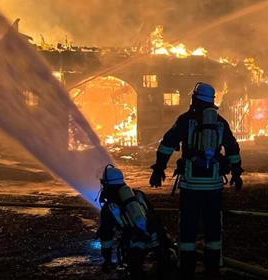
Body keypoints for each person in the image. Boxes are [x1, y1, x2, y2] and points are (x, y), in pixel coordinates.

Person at [149, 82, 243, 279]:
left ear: (194, 98)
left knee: (188, 229)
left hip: (190, 186)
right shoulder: (221, 123)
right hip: (214, 186)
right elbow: (233, 148)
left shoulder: (185, 121)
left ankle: (187, 269)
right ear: (212, 102)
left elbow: (167, 144)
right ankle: (213, 269)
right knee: (213, 228)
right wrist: (236, 173)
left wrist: (159, 169)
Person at [97, 164, 173, 279]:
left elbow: (106, 235)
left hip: (135, 245)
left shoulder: (110, 207)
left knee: (134, 272)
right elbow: (154, 217)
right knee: (165, 270)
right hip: (156, 239)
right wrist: (165, 240)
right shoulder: (138, 195)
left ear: (106, 184)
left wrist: (107, 260)